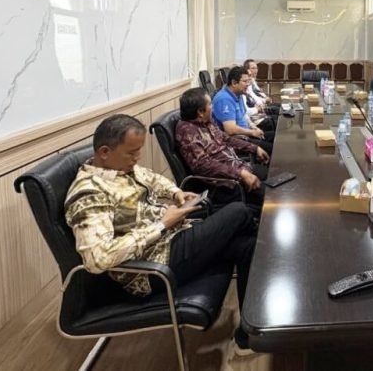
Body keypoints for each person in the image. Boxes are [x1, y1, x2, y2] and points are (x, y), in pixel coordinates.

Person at [64, 114, 256, 351]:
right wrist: (161, 225)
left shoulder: (121, 168)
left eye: (139, 151)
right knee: (238, 211)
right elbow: (98, 259)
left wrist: (176, 193)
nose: (137, 158)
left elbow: (153, 179)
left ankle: (249, 334)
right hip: (152, 269)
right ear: (104, 152)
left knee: (248, 246)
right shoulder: (89, 194)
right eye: (132, 153)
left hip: (171, 240)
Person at [176, 87, 269, 212]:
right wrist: (240, 173)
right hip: (223, 183)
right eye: (210, 104)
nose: (213, 107)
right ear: (200, 112)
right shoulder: (187, 131)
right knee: (270, 197)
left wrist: (254, 148)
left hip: (237, 168)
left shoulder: (207, 122)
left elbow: (226, 139)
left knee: (270, 175)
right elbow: (203, 165)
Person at [212, 66, 274, 154]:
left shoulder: (239, 94)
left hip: (246, 134)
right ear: (234, 83)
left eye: (248, 81)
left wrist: (253, 126)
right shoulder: (224, 99)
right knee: (273, 149)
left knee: (275, 137)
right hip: (236, 140)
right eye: (245, 81)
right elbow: (230, 130)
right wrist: (251, 132)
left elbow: (244, 115)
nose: (248, 84)